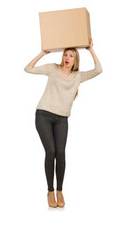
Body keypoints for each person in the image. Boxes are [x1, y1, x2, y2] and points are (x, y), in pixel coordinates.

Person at [24, 37, 101, 208]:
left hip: (62, 118)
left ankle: (60, 190)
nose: (67, 58)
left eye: (71, 56)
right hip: (43, 115)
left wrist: (91, 49)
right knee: (50, 152)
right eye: (66, 55)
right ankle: (50, 191)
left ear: (76, 60)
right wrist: (42, 53)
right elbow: (28, 68)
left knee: (61, 153)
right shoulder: (53, 68)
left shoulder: (78, 76)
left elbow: (98, 70)